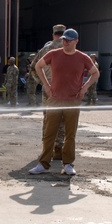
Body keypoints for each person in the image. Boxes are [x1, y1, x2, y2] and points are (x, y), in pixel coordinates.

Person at [28, 28, 99, 176]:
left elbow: (95, 73)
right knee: (49, 133)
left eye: (68, 40)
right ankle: (43, 163)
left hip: (73, 101)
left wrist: (84, 88)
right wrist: (46, 85)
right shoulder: (53, 54)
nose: (65, 42)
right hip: (54, 100)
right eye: (64, 40)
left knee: (70, 134)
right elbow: (37, 66)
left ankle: (68, 164)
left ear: (76, 41)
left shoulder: (82, 57)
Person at [37, 24, 67, 159]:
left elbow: (34, 67)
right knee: (63, 118)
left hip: (48, 89)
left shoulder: (46, 49)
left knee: (48, 118)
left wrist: (43, 82)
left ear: (53, 34)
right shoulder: (70, 48)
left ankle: (46, 149)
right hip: (66, 88)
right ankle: (59, 148)